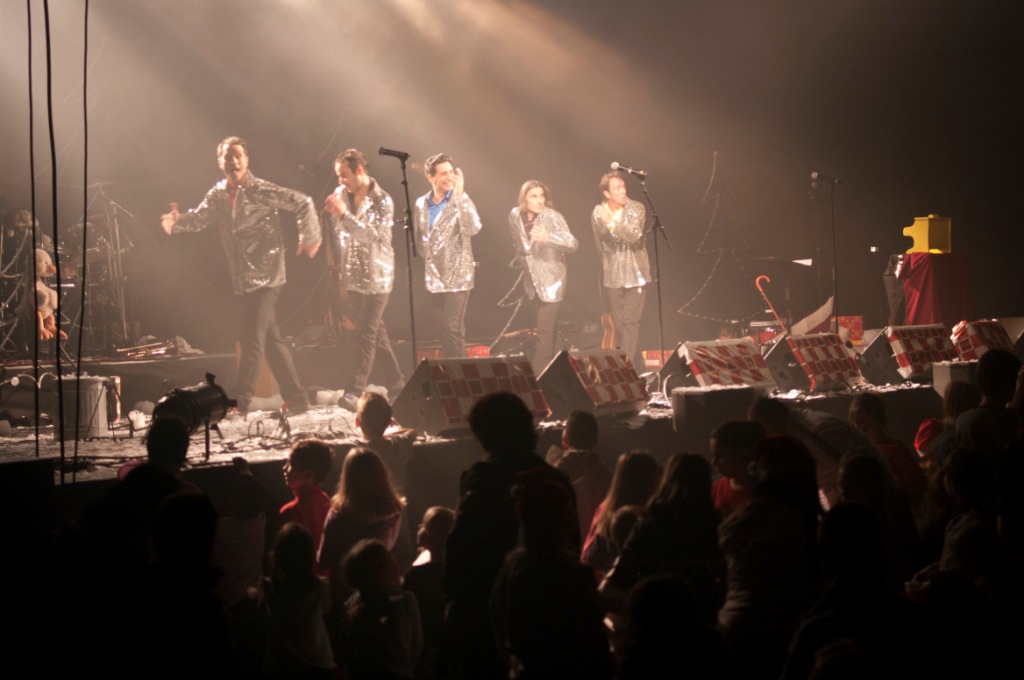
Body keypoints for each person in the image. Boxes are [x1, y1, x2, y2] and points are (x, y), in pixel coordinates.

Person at [161, 136, 321, 416]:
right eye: (228, 156)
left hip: (269, 275)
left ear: (247, 160)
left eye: (238, 155)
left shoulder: (259, 189)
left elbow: (303, 202)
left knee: (251, 340)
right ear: (219, 162)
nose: (234, 161)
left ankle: (240, 403)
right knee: (271, 341)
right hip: (245, 278)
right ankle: (297, 398)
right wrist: (177, 222)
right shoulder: (219, 193)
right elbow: (200, 218)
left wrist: (309, 236)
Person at [324, 149, 405, 407]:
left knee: (365, 334)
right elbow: (341, 235)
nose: (340, 181)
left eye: (344, 175)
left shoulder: (382, 200)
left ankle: (355, 390)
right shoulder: (341, 195)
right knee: (376, 335)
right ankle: (398, 384)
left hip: (378, 277)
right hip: (354, 277)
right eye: (338, 176)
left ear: (359, 170)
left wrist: (342, 215)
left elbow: (372, 236)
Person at [414, 153, 482, 358]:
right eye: (444, 173)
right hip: (435, 277)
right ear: (431, 177)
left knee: (452, 328)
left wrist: (460, 197)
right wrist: (429, 260)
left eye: (451, 172)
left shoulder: (460, 199)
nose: (450, 177)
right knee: (442, 329)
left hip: (458, 276)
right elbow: (420, 238)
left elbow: (473, 227)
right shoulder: (421, 203)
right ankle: (452, 369)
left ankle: (460, 372)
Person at [507, 180, 578, 370]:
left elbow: (572, 244)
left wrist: (548, 238)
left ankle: (539, 375)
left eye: (541, 196)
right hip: (532, 282)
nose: (539, 200)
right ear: (524, 198)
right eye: (534, 196)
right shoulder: (515, 215)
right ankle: (561, 370)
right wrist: (521, 259)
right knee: (550, 330)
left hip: (552, 281)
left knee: (544, 330)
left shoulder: (553, 216)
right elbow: (518, 242)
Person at [591, 170, 650, 368]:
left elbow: (632, 235)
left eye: (623, 186)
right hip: (614, 276)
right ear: (607, 193)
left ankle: (626, 369)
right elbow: (601, 243)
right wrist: (608, 267)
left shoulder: (637, 208)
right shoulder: (597, 214)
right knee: (619, 325)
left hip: (636, 273)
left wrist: (610, 221)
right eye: (617, 188)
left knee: (631, 322)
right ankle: (638, 365)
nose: (623, 191)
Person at [279, 439, 334, 551]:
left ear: (309, 475)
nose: (284, 468)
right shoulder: (325, 500)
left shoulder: (290, 511)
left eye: (291, 464)